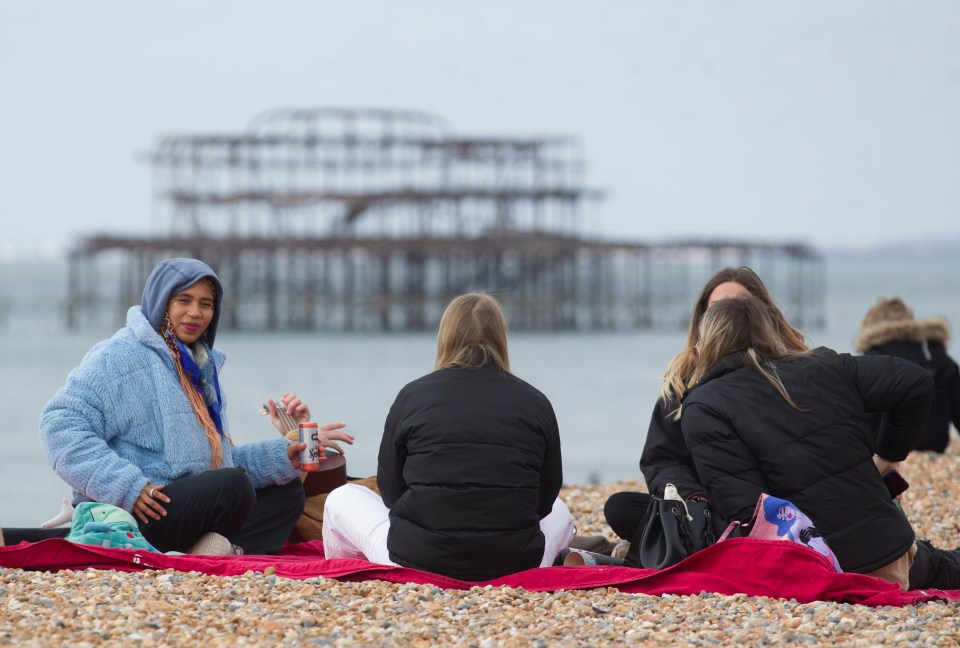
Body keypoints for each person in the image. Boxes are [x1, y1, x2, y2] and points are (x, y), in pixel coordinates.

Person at [19, 258, 353, 555]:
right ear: (161, 302)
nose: (196, 313)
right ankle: (215, 550)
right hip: (141, 511)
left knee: (287, 494)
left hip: (185, 506)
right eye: (184, 300)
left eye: (206, 304)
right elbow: (59, 424)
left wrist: (285, 455)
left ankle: (216, 550)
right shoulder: (121, 356)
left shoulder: (199, 369)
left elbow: (220, 463)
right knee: (232, 486)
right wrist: (129, 488)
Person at [682, 295, 960, 590]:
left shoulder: (703, 406)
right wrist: (889, 454)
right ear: (770, 331)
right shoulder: (824, 365)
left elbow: (749, 511)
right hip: (889, 549)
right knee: (938, 563)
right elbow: (915, 381)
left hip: (820, 571)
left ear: (708, 340)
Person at [322, 292, 574, 581]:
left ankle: (350, 579)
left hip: (418, 560)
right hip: (515, 562)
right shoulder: (536, 401)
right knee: (560, 510)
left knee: (341, 497)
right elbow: (546, 496)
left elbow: (390, 492)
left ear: (445, 336)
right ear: (501, 338)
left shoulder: (411, 397)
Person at [604, 267, 808, 548]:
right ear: (702, 319)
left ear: (764, 313)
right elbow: (661, 459)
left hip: (778, 509)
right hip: (706, 510)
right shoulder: (682, 379)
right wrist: (691, 497)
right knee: (621, 507)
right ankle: (703, 544)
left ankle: (678, 550)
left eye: (742, 304)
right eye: (718, 308)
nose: (729, 314)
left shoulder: (793, 371)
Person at [855, 297, 960, 453]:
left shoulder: (873, 357)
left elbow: (862, 415)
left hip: (885, 450)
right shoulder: (936, 354)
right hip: (934, 447)